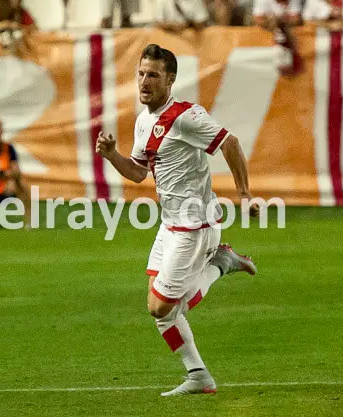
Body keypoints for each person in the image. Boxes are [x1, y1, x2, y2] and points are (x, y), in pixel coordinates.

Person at [95, 44, 258, 396]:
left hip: (195, 226)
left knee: (162, 307)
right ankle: (199, 376)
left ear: (170, 80)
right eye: (141, 74)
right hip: (170, 225)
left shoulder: (185, 116)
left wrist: (244, 194)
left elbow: (230, 143)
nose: (144, 81)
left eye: (153, 75)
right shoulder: (144, 121)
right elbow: (138, 172)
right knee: (157, 308)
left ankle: (221, 264)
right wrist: (111, 155)